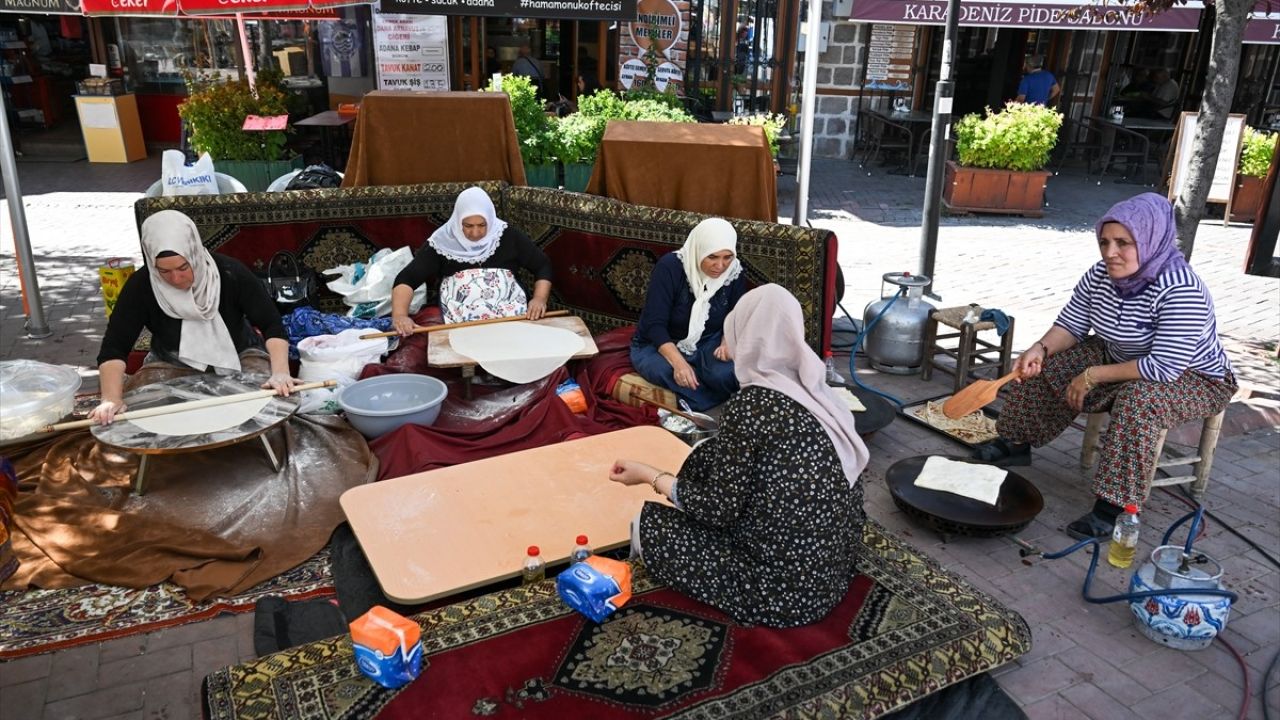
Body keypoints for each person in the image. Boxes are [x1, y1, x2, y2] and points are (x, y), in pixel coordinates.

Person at [970, 194, 1236, 540]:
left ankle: (1114, 509)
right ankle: (1015, 443)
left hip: (1195, 377)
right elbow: (1072, 325)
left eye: (1124, 243)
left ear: (1151, 240)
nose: (1110, 252)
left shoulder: (1181, 289)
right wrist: (1040, 347)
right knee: (1049, 364)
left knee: (1139, 403)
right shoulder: (1101, 275)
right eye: (1105, 242)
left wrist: (1093, 375)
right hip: (1121, 355)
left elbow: (1165, 366)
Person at [609, 284, 869, 628]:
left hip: (784, 594)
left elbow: (719, 510)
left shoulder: (749, 408)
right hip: (831, 571)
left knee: (649, 525)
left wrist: (649, 474)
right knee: (709, 454)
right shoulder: (820, 391)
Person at [91, 210, 297, 424]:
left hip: (240, 355)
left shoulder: (230, 273)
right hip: (170, 362)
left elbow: (272, 325)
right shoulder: (141, 285)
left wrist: (280, 372)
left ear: (195, 253)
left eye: (183, 267)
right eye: (164, 271)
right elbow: (115, 346)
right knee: (147, 415)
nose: (176, 278)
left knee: (266, 410)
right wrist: (110, 398)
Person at [390, 187, 553, 333]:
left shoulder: (507, 236)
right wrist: (400, 315)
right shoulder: (442, 242)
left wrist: (539, 299)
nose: (475, 233)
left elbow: (542, 265)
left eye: (482, 225)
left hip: (508, 313)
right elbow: (406, 279)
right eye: (468, 226)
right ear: (457, 220)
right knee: (421, 346)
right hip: (455, 316)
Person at [630, 218, 747, 411]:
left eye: (727, 257)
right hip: (658, 344)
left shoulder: (734, 272)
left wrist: (727, 343)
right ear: (698, 250)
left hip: (708, 340)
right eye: (712, 257)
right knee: (681, 378)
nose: (720, 266)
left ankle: (705, 394)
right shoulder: (670, 267)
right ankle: (714, 399)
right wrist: (678, 363)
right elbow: (654, 325)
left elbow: (735, 314)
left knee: (726, 374)